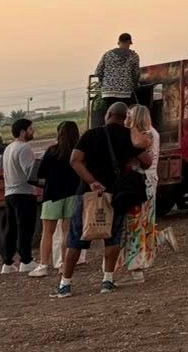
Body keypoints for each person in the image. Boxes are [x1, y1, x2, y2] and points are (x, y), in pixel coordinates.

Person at [58, 101, 141, 298]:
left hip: (88, 194)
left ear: (108, 114)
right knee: (112, 237)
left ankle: (65, 284)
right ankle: (107, 280)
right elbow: (145, 160)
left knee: (76, 238)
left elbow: (75, 160)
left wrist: (92, 181)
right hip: (117, 193)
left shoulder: (91, 135)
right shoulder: (128, 136)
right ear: (125, 117)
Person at [120, 105, 172, 279]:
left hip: (140, 182)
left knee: (135, 223)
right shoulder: (153, 133)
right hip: (150, 180)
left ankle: (137, 266)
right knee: (145, 221)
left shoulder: (143, 136)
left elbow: (136, 152)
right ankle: (159, 239)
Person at [34, 121, 82, 279]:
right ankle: (63, 264)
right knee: (67, 231)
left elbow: (41, 173)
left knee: (48, 232)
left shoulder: (52, 151)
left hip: (52, 195)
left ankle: (43, 265)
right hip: (73, 194)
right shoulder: (78, 151)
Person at [0, 118, 42, 275]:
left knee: (11, 229)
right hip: (24, 193)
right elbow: (30, 172)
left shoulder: (8, 148)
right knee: (26, 228)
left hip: (9, 193)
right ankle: (26, 260)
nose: (33, 131)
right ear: (23, 131)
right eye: (30, 129)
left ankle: (7, 262)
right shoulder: (24, 148)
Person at [92, 33, 141, 126]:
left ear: (119, 42)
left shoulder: (107, 54)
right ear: (129, 42)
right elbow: (136, 74)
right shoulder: (133, 56)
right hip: (125, 92)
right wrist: (134, 84)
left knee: (110, 116)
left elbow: (98, 72)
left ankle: (108, 131)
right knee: (125, 117)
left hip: (108, 92)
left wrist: (104, 83)